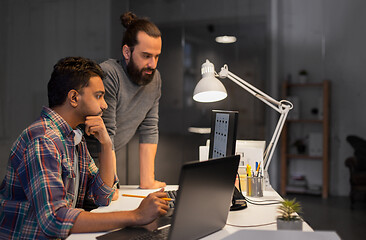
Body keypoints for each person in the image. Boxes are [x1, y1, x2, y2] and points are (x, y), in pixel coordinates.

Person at [0, 57, 169, 239]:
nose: (104, 105)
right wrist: (136, 216)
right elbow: (55, 220)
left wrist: (106, 144)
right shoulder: (44, 140)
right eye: (99, 96)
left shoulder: (74, 138)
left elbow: (103, 196)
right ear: (74, 98)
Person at [89, 12, 166, 189]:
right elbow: (106, 134)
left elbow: (150, 128)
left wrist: (148, 181)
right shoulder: (109, 74)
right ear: (126, 52)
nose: (153, 64)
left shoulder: (154, 79)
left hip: (106, 163)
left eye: (156, 56)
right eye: (146, 56)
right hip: (82, 164)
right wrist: (109, 186)